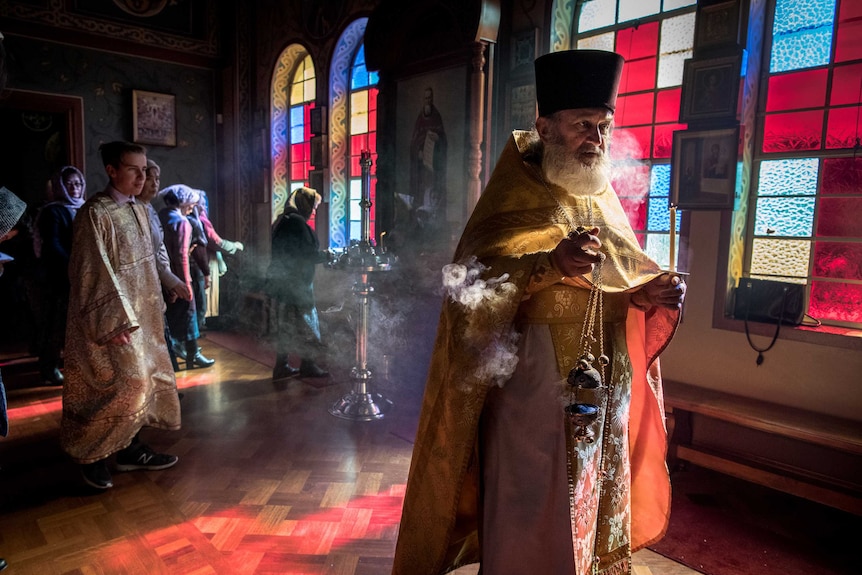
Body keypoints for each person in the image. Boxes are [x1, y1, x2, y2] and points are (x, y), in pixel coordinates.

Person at [391, 50, 686, 575]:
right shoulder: (512, 195)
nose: (596, 139)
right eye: (582, 126)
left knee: (595, 489)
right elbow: (471, 284)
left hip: (603, 380)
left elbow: (622, 271)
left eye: (603, 126)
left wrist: (647, 292)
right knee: (534, 495)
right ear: (545, 127)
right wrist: (548, 264)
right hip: (531, 379)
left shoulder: (601, 196)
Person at [61, 141, 181, 490]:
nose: (143, 177)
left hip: (144, 317)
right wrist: (113, 321)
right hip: (111, 322)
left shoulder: (142, 210)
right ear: (112, 170)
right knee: (119, 386)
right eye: (134, 169)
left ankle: (130, 449)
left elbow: (153, 257)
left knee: (147, 380)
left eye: (145, 170)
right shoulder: (95, 213)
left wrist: (167, 284)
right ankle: (92, 455)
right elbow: (90, 270)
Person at [266, 186, 330, 380]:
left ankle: (281, 366)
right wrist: (326, 255)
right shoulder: (297, 223)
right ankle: (308, 365)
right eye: (314, 206)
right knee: (307, 324)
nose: (314, 210)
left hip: (283, 282)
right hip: (297, 283)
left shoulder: (284, 219)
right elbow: (305, 254)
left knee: (285, 324)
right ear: (305, 204)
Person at [31, 166, 86, 385]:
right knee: (54, 323)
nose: (75, 188)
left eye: (78, 183)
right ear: (60, 186)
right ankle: (49, 368)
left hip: (82, 275)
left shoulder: (85, 207)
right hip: (58, 277)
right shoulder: (53, 211)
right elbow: (52, 246)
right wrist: (72, 266)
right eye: (70, 183)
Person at [140, 160, 192, 372]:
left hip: (158, 283)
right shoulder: (131, 209)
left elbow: (159, 249)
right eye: (148, 178)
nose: (154, 183)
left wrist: (168, 280)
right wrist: (174, 281)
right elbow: (145, 253)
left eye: (157, 179)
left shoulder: (151, 210)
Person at [158, 184, 215, 369]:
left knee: (172, 318)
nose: (192, 207)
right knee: (189, 315)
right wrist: (186, 284)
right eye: (190, 204)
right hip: (178, 277)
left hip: (162, 276)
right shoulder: (182, 222)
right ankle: (192, 354)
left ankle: (184, 353)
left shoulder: (161, 216)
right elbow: (181, 256)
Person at [408, 87, 448, 219]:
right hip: (421, 166)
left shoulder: (437, 117)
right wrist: (418, 151)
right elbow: (414, 141)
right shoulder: (420, 119)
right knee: (421, 191)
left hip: (434, 164)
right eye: (426, 98)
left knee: (433, 189)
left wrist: (438, 139)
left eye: (430, 98)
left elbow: (443, 141)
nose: (428, 100)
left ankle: (433, 215)